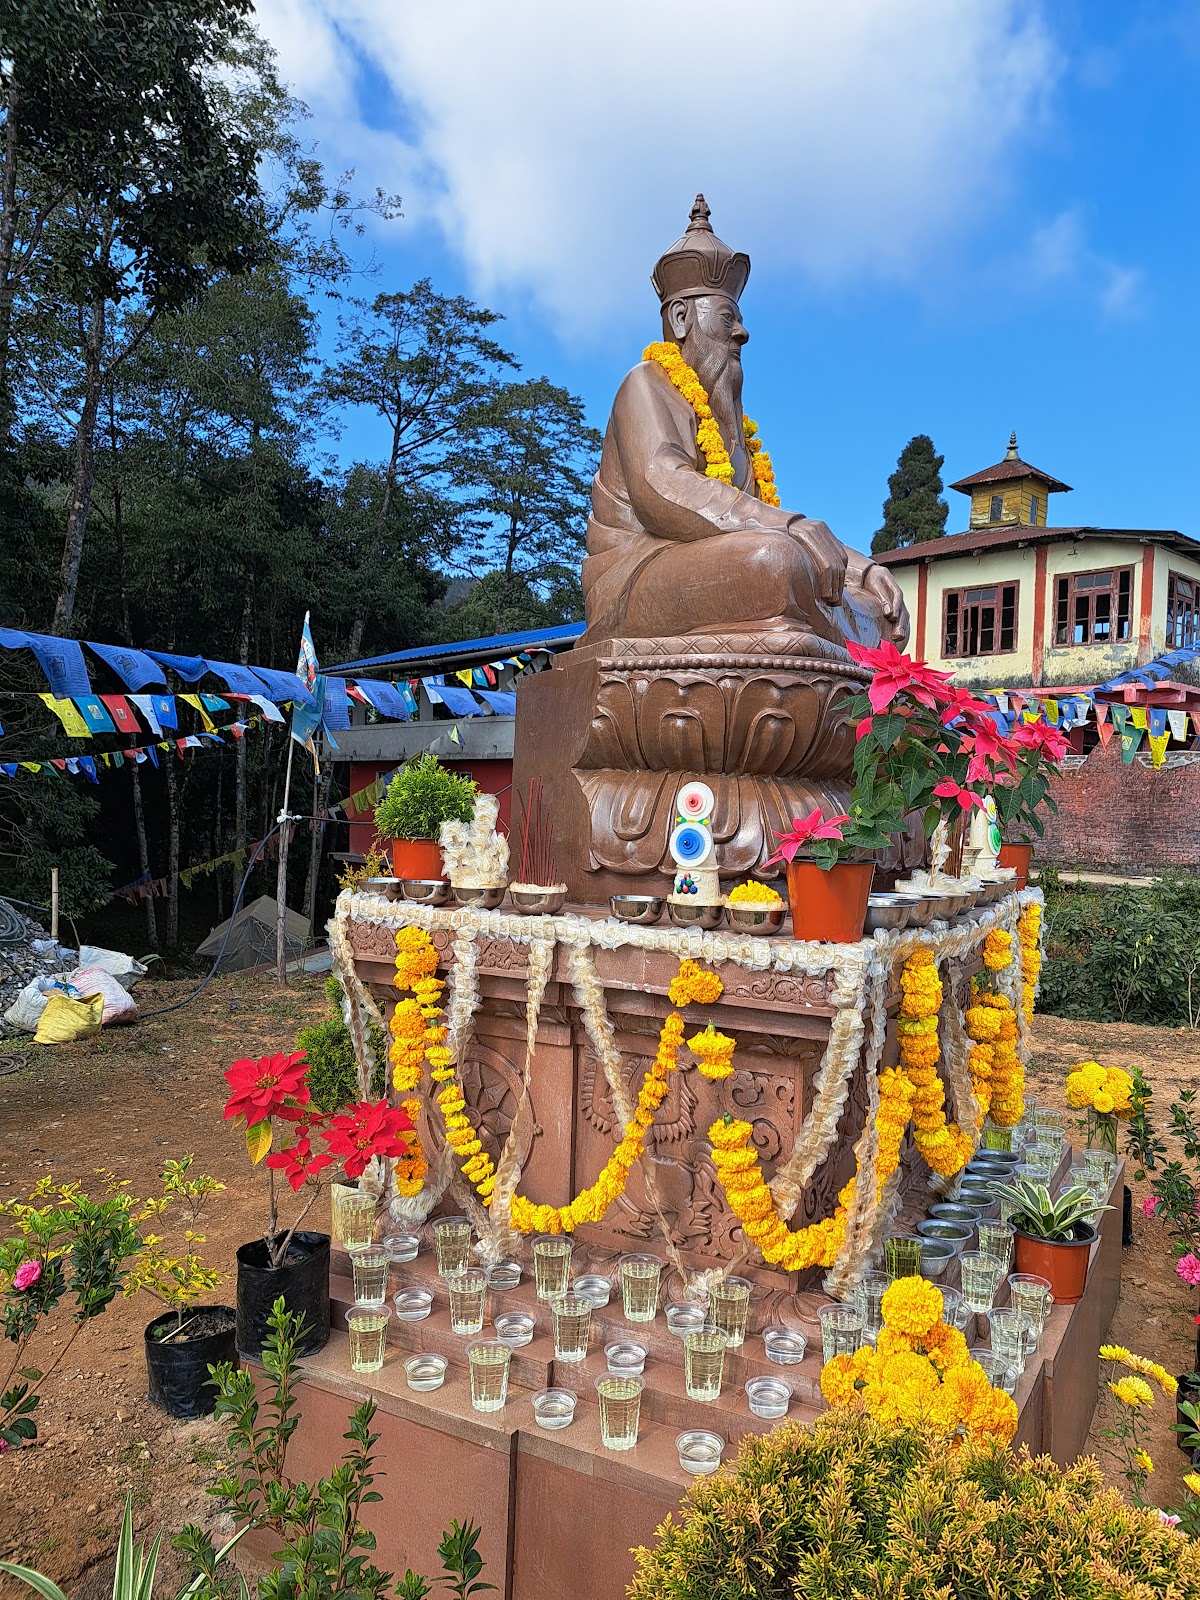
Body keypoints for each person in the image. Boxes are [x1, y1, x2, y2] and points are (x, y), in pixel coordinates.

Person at [581, 196, 909, 653]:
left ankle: (842, 643)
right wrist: (790, 527)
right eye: (727, 317)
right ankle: (835, 642)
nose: (742, 333)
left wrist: (864, 569)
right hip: (635, 577)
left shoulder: (732, 432)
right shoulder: (645, 384)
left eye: (741, 320)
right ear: (680, 319)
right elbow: (663, 490)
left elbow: (762, 515)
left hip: (710, 564)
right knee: (774, 561)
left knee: (874, 603)